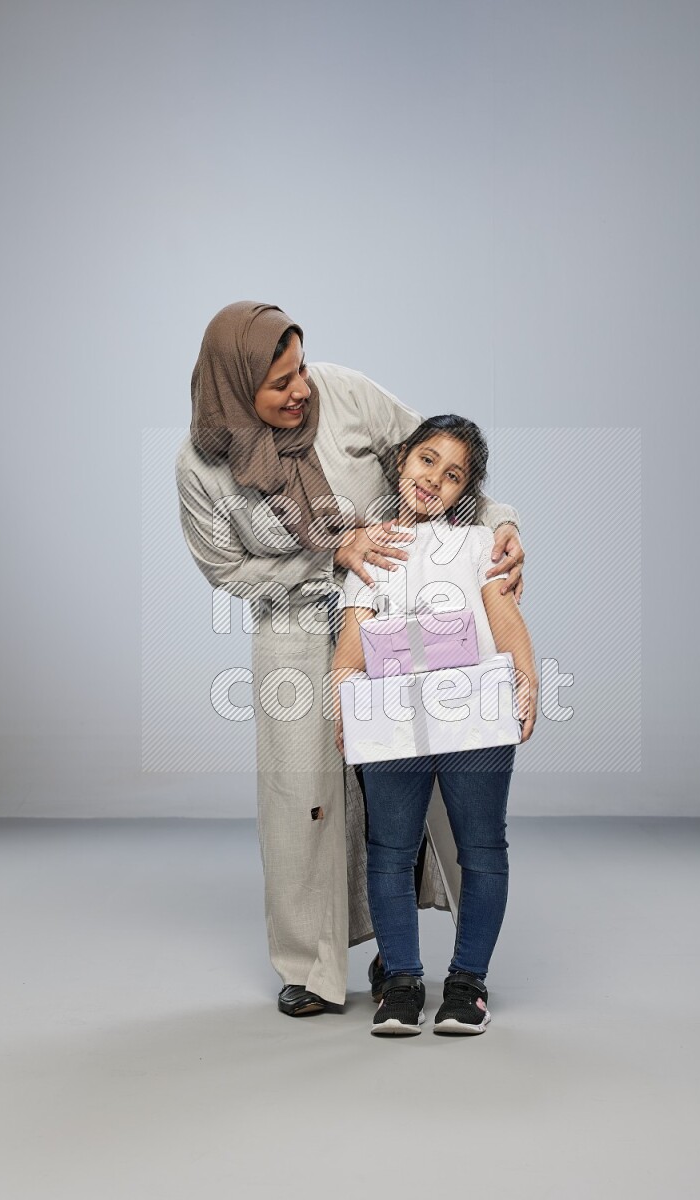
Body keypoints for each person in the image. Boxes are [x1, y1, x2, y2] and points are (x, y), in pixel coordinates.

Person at [175, 301, 525, 1016]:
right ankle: (310, 966)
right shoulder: (200, 468)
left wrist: (503, 526)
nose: (300, 388)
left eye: (299, 366)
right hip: (296, 624)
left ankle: (419, 962)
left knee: (412, 783)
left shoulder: (345, 394)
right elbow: (226, 567)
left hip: (408, 609)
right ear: (235, 388)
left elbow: (438, 456)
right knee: (302, 799)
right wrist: (331, 556)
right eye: (278, 383)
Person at [330, 414, 537, 1036]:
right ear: (401, 464)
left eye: (453, 476)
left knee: (481, 849)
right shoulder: (372, 550)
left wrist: (525, 684)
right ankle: (401, 982)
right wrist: (345, 703)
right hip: (394, 722)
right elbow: (350, 649)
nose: (434, 480)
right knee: (389, 852)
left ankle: (468, 983)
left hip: (476, 720)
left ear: (463, 493)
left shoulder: (479, 545)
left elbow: (505, 625)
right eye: (426, 461)